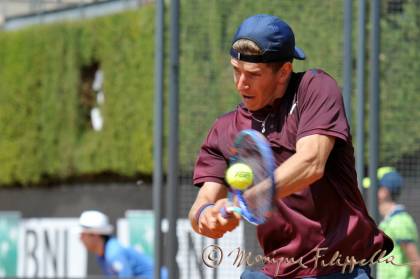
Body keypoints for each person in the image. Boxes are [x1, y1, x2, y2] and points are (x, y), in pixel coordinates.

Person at [188, 14, 394, 278]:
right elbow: (203, 202)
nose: (241, 83)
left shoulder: (314, 88)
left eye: (253, 74)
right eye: (235, 70)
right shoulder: (224, 129)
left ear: (284, 71)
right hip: (275, 270)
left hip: (338, 270)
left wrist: (253, 198)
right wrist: (207, 216)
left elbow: (311, 163)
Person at [364, 167, 420, 279]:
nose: (368, 191)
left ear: (384, 192)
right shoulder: (389, 221)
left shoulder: (399, 221)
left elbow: (415, 262)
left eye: (373, 187)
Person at [78, 210, 167, 279]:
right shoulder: (103, 254)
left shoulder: (113, 253)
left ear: (95, 235)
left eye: (83, 234)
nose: (80, 238)